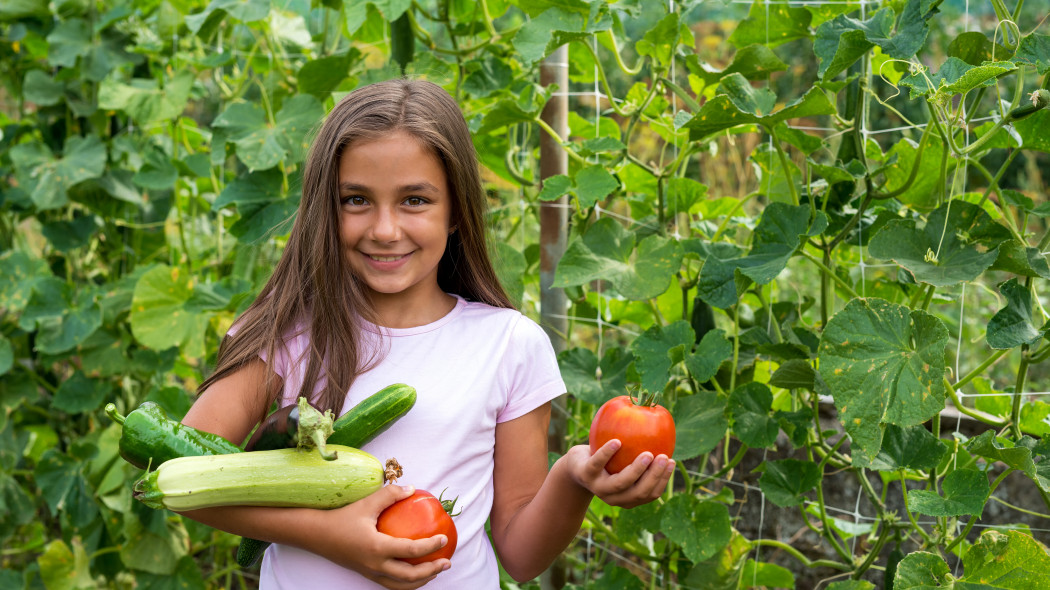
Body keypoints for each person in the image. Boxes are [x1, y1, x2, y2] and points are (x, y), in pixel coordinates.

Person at [179, 79, 675, 590]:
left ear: (457, 209)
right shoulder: (284, 336)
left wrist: (575, 477)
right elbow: (185, 474)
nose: (385, 229)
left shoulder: (509, 345)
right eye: (356, 200)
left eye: (414, 200)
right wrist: (329, 536)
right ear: (326, 208)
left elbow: (522, 556)